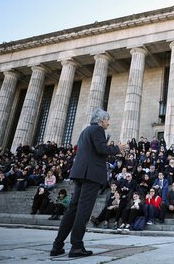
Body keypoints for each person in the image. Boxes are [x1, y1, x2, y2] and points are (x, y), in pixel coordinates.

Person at [50, 108, 119, 258]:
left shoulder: (85, 131)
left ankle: (57, 245)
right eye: (107, 120)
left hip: (81, 173)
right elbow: (101, 149)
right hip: (91, 175)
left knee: (73, 209)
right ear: (101, 120)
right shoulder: (98, 130)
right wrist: (118, 148)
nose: (108, 122)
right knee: (84, 210)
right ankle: (76, 246)